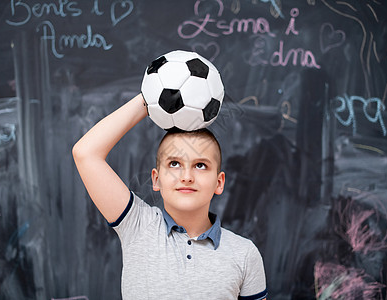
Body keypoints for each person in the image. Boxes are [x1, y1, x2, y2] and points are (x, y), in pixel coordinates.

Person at [72, 93, 267, 299]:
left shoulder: (244, 254)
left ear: (219, 183)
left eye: (200, 165)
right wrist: (150, 99)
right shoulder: (137, 225)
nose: (187, 176)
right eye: (175, 164)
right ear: (156, 179)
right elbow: (85, 153)